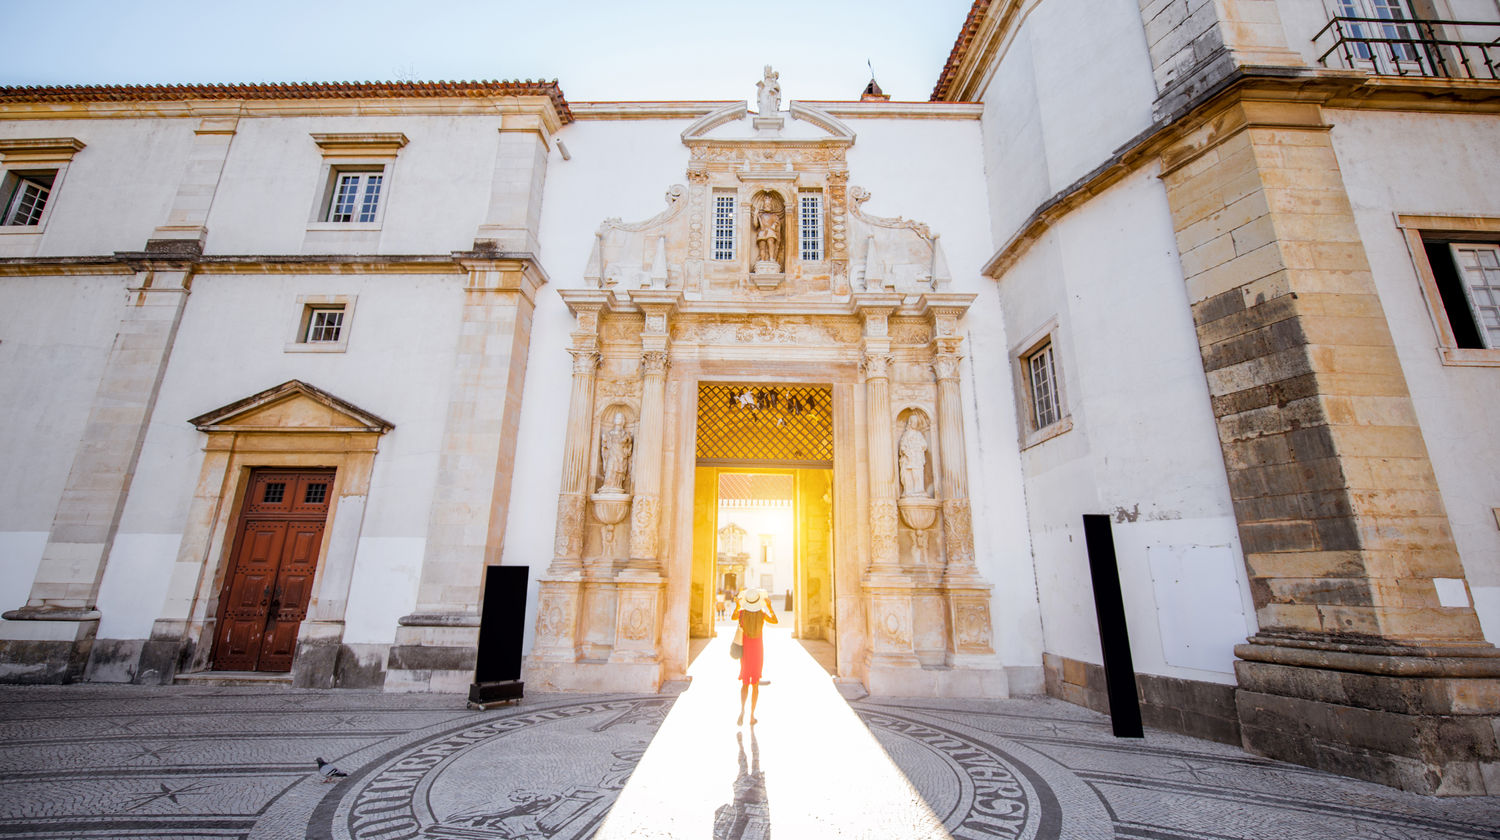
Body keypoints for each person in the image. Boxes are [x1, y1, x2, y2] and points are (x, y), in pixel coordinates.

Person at [732, 588, 778, 726]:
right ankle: (752, 715)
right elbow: (775, 621)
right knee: (755, 684)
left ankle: (742, 710)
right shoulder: (761, 614)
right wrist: (769, 606)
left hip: (745, 650)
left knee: (745, 682)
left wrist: (737, 605)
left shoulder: (742, 614)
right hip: (757, 650)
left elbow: (733, 617)